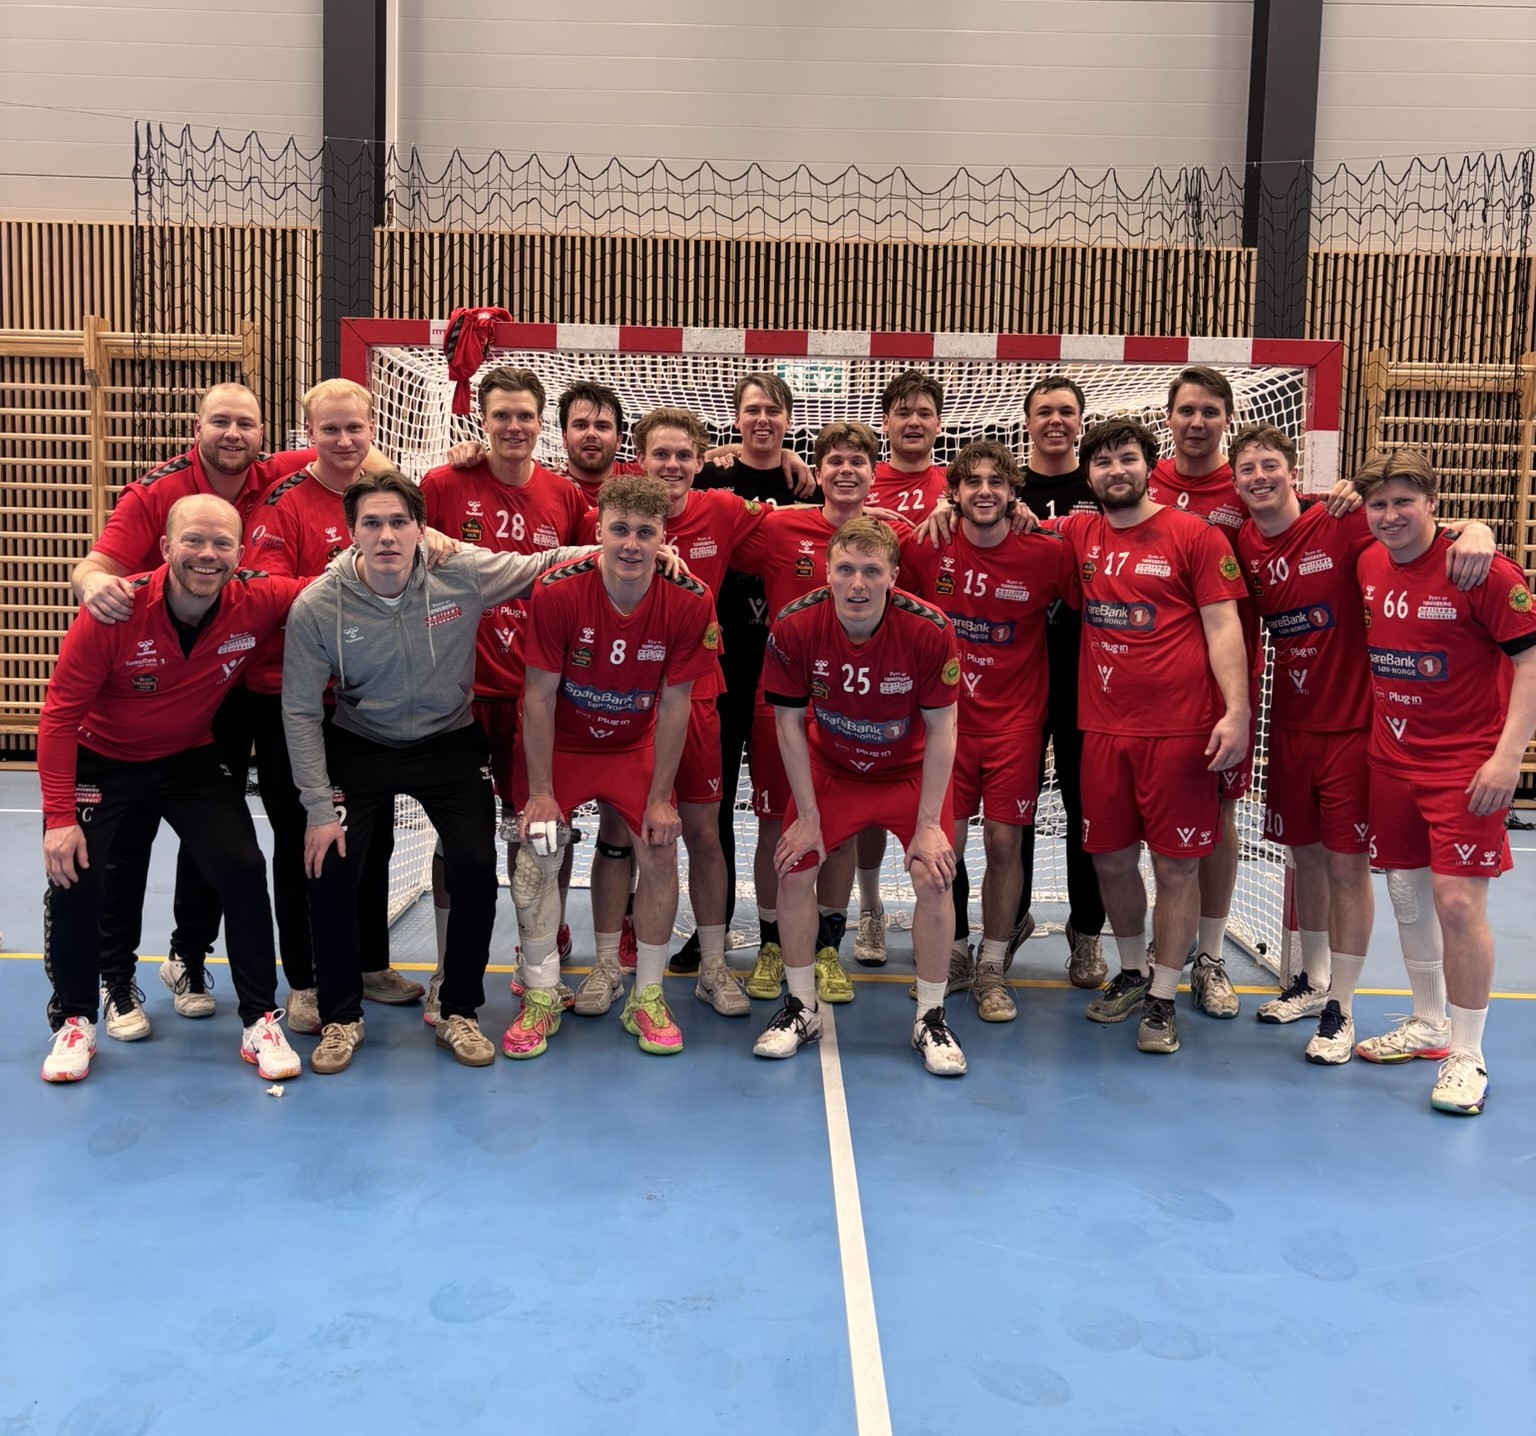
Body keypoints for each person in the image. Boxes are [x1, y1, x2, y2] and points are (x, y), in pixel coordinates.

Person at [280, 473, 592, 1074]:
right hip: (361, 743)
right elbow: (298, 711)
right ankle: (342, 1016)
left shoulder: (461, 572)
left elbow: (543, 564)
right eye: (372, 523)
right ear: (351, 533)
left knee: (473, 863)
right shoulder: (319, 605)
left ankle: (459, 1010)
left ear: (421, 528)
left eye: (399, 522)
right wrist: (319, 809)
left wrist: (621, 549)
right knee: (331, 866)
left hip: (449, 740)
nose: (387, 536)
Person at [65, 383, 329, 1035]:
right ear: (196, 427)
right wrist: (98, 588)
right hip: (161, 678)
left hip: (243, 669)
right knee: (132, 844)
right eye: (220, 422)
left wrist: (459, 456)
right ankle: (129, 974)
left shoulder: (275, 471)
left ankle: (197, 957)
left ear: (263, 433)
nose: (233, 434)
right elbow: (94, 566)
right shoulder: (153, 493)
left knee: (225, 837)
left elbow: (349, 449)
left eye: (246, 423)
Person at [1230, 426, 1496, 1062]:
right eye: (1248, 469)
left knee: (1349, 867)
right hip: (1289, 725)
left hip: (1355, 729)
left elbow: (1415, 528)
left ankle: (1341, 1009)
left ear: (1294, 470)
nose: (1260, 477)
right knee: (1305, 860)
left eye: (1271, 464)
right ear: (1235, 481)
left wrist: (1478, 527)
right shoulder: (1243, 541)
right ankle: (1313, 980)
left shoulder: (1343, 521)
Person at [38, 495, 307, 1084]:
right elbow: (57, 717)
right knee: (75, 873)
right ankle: (76, 1019)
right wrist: (58, 817)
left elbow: (334, 584)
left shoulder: (258, 598)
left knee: (242, 864)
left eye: (222, 543)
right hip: (101, 759)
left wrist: (423, 547)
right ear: (165, 547)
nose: (207, 554)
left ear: (240, 553)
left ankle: (260, 1018)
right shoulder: (114, 610)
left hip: (187, 758)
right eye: (193, 540)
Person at [1047, 417, 1250, 1055]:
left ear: (1148, 466)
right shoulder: (1078, 533)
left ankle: (1164, 995)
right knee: (1109, 859)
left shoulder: (1194, 535)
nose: (1116, 471)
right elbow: (1005, 524)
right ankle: (1134, 971)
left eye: (1128, 458)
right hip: (1102, 729)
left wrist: (1237, 711)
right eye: (1103, 462)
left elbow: (1224, 627)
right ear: (1088, 476)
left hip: (1180, 731)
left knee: (1174, 867)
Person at [507, 475, 719, 1059]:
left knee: (659, 847)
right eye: (619, 530)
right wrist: (542, 792)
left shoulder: (690, 598)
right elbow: (538, 696)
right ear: (598, 531)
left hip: (633, 746)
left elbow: (676, 703)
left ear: (663, 537)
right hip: (564, 745)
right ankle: (541, 995)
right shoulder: (557, 590)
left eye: (645, 533)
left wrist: (661, 797)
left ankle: (647, 996)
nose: (631, 544)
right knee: (537, 852)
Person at [570, 408, 770, 1021]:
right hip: (624, 698)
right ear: (639, 458)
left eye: (685, 455)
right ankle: (608, 965)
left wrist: (793, 463)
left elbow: (797, 519)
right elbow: (569, 551)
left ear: (702, 460)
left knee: (704, 833)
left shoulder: (723, 509)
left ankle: (713, 965)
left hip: (698, 694)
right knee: (617, 832)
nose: (672, 465)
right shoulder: (609, 512)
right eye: (661, 454)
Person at [1352, 450, 1536, 1115]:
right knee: (1407, 895)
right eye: (1379, 504)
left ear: (1433, 503)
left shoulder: (1480, 568)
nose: (1390, 515)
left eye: (1405, 501)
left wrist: (1508, 758)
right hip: (1391, 759)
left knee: (1458, 905)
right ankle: (1428, 1024)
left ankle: (1468, 1054)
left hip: (1465, 766)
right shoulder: (1368, 561)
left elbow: (1530, 662)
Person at [243, 380, 426, 1033]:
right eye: (330, 429)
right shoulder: (285, 503)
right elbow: (264, 592)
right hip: (288, 697)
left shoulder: (382, 498)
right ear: (308, 432)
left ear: (372, 428)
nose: (344, 441)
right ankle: (305, 981)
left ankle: (370, 963)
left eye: (355, 428)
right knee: (303, 839)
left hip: (363, 698)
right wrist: (349, 584)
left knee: (371, 837)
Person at [755, 518, 965, 1074]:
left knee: (934, 874)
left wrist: (928, 825)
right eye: (845, 569)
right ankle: (801, 1008)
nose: (857, 584)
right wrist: (807, 816)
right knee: (793, 868)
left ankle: (931, 1018)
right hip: (832, 769)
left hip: (907, 773)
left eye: (872, 571)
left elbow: (944, 728)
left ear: (893, 576)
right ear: (826, 572)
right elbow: (788, 723)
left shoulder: (928, 628)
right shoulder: (795, 623)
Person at [728, 420, 915, 1005]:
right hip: (780, 704)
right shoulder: (780, 525)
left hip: (857, 708)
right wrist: (723, 453)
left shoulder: (897, 535)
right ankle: (771, 945)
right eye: (834, 460)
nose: (845, 470)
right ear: (817, 470)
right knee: (773, 825)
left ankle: (829, 947)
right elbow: (704, 518)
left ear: (874, 474)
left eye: (857, 461)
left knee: (841, 830)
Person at [421, 367, 590, 1012]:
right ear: (482, 421)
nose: (513, 427)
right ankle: (445, 970)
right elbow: (389, 524)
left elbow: (593, 566)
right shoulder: (444, 484)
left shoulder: (563, 495)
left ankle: (538, 955)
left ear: (541, 423)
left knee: (545, 832)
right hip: (460, 695)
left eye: (524, 416)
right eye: (501, 416)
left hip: (537, 695)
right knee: (456, 840)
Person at [900, 441, 1076, 1022]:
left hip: (1015, 724)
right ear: (953, 492)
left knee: (1004, 843)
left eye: (996, 482)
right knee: (941, 847)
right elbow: (865, 555)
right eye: (971, 481)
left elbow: (1093, 594)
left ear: (1013, 493)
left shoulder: (1046, 552)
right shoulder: (926, 545)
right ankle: (952, 953)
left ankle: (994, 964)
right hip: (943, 725)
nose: (984, 491)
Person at [671, 373, 815, 975]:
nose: (762, 420)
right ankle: (716, 927)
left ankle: (781, 933)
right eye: (752, 410)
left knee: (784, 808)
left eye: (773, 411)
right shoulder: (708, 477)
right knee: (716, 802)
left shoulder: (805, 481)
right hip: (719, 658)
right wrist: (714, 454)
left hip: (782, 659)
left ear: (788, 421)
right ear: (734, 418)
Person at [1143, 366, 1255, 1017]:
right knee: (1149, 830)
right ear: (1168, 417)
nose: (1197, 422)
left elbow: (1320, 517)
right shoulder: (1143, 479)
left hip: (1223, 683)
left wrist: (1474, 529)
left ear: (1227, 420)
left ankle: (1209, 955)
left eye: (1210, 411)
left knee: (1220, 816)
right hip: (1148, 688)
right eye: (1187, 410)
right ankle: (1155, 948)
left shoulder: (1248, 483)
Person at [852, 370, 949, 965]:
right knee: (865, 785)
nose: (914, 421)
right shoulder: (862, 478)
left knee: (930, 793)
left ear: (939, 423)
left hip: (931, 657)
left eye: (924, 412)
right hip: (865, 657)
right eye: (903, 412)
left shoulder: (957, 486)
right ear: (885, 422)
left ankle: (935, 918)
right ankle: (869, 910)